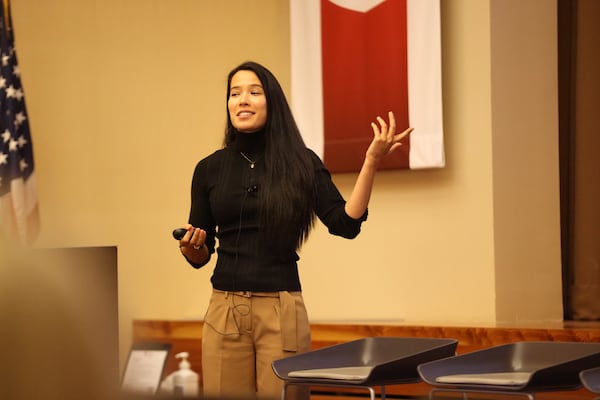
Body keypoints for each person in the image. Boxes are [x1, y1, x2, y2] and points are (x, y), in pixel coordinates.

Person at [177, 61, 412, 400]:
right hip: (223, 310)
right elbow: (200, 254)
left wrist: (371, 162)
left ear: (272, 103)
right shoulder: (208, 169)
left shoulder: (302, 162)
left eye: (254, 92)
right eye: (234, 93)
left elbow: (345, 224)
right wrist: (190, 246)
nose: (242, 100)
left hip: (281, 308)